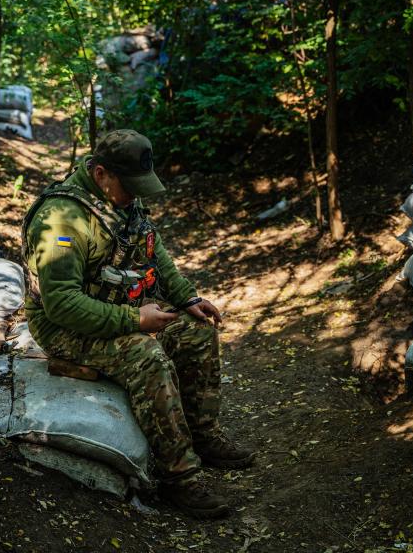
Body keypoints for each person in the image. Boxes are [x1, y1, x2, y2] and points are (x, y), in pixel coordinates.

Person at [21, 129, 253, 518]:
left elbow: (154, 253)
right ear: (100, 175)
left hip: (113, 309)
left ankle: (203, 435)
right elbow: (61, 305)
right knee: (146, 354)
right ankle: (180, 478)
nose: (135, 194)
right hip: (64, 327)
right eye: (129, 186)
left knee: (195, 332)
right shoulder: (60, 220)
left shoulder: (124, 202)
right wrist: (134, 320)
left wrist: (187, 297)